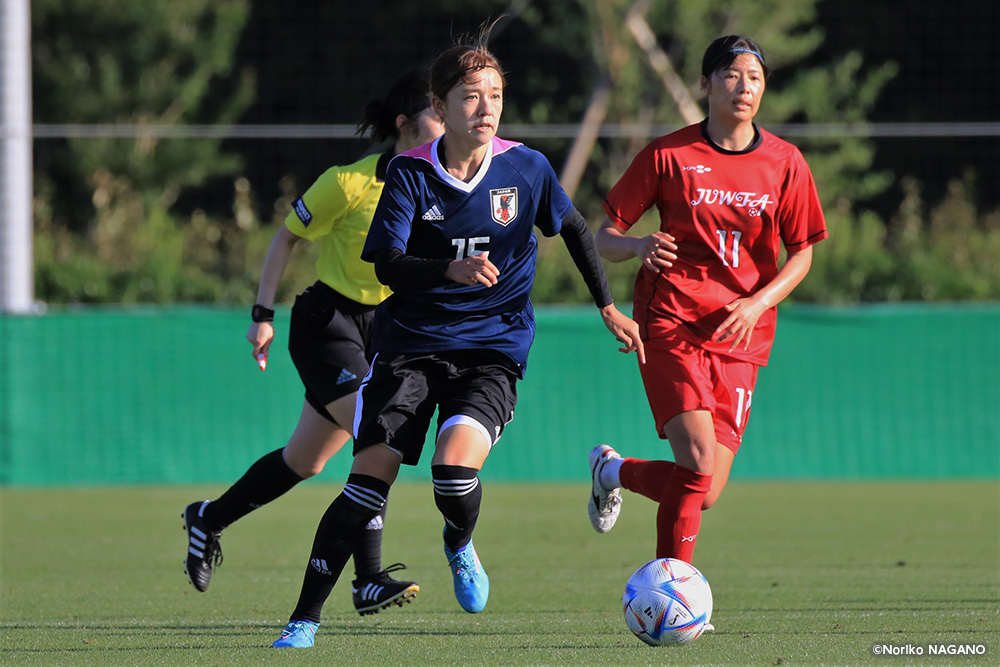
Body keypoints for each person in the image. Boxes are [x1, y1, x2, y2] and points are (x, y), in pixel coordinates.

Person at [271, 26, 644, 649]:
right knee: (364, 485)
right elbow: (385, 261)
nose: (487, 107)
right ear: (440, 110)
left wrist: (608, 305)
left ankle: (459, 542)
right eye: (471, 96)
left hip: (492, 349)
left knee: (452, 473)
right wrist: (449, 268)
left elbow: (575, 230)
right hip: (409, 346)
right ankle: (303, 621)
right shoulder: (411, 175)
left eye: (495, 94)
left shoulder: (527, 167)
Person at [182, 68, 444, 616]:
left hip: (385, 330)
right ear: (403, 124)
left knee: (304, 460)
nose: (445, 128)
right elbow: (285, 238)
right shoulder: (348, 183)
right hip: (329, 324)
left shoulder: (437, 187)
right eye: (435, 116)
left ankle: (209, 518)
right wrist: (262, 314)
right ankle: (366, 579)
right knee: (379, 436)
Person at [587, 35, 828, 567]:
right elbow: (603, 235)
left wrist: (757, 303)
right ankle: (671, 592)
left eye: (755, 78)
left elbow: (802, 255)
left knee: (706, 491)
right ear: (705, 83)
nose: (744, 88)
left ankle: (613, 470)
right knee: (695, 464)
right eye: (731, 75)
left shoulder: (785, 162)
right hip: (671, 319)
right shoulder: (668, 153)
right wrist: (638, 246)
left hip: (742, 334)